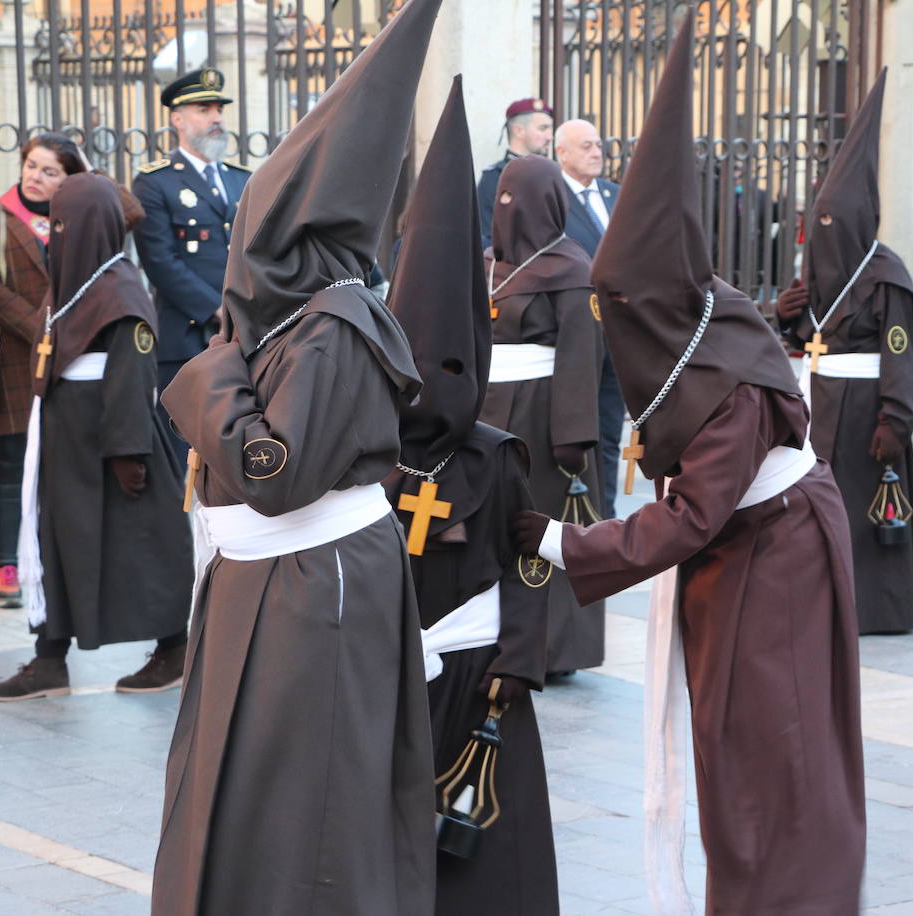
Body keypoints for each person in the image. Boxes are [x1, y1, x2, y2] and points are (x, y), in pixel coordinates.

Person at [514, 18, 865, 912]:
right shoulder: (702, 330)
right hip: (741, 553)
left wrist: (565, 544)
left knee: (773, 749)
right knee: (736, 747)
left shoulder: (732, 370)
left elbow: (693, 514)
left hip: (777, 560)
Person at [151, 1, 441, 910]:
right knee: (244, 791)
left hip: (312, 583)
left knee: (303, 808)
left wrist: (209, 381)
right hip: (275, 579)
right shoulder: (294, 320)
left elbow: (276, 475)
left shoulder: (331, 329)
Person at [387, 77, 557, 913]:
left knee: (492, 854)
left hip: (480, 675)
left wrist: (519, 658)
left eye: (457, 369)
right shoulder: (365, 457)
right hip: (385, 680)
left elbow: (528, 562)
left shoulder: (496, 457)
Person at [0, 172, 190, 702]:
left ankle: (174, 649)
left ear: (93, 225)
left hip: (114, 446)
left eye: (63, 221)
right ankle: (49, 659)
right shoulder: (73, 285)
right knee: (58, 544)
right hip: (67, 443)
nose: (54, 231)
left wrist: (127, 451)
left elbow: (133, 374)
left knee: (143, 546)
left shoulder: (119, 287)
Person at [776, 69, 913, 635]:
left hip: (869, 412)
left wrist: (897, 419)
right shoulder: (821, 268)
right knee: (820, 507)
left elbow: (897, 354)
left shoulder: (886, 276)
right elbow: (807, 343)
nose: (823, 232)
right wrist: (786, 317)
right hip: (821, 402)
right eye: (817, 221)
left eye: (832, 222)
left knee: (868, 512)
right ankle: (823, 600)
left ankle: (878, 607)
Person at [0, 134, 143, 611]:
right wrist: (45, 328)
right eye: (31, 166)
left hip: (70, 359)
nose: (35, 177)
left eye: (50, 171)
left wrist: (88, 173)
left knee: (63, 464)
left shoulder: (84, 213)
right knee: (10, 462)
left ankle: (54, 560)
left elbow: (131, 211)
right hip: (16, 359)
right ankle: (7, 564)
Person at [481, 154, 606, 679]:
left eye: (520, 199)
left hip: (545, 419)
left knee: (546, 533)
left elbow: (584, 355)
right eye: (502, 198)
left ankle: (555, 650)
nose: (509, 209)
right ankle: (490, 642)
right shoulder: (486, 263)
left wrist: (573, 435)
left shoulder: (573, 268)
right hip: (486, 418)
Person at [132, 67, 250, 467]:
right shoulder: (155, 182)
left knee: (236, 449)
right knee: (187, 456)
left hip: (241, 336)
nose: (216, 117)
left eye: (218, 108)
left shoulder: (241, 180)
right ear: (177, 118)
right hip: (187, 337)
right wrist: (218, 309)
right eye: (204, 108)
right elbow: (160, 262)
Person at [556, 117, 628, 518]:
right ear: (561, 153)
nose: (597, 151)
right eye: (585, 145)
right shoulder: (552, 197)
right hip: (577, 333)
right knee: (576, 432)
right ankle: (577, 516)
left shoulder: (617, 195)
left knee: (610, 431)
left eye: (598, 144)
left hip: (618, 335)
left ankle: (607, 516)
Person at [477, 98, 554, 250]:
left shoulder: (552, 175)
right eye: (543, 128)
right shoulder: (494, 178)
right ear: (519, 130)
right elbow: (488, 238)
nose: (550, 137)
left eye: (550, 129)